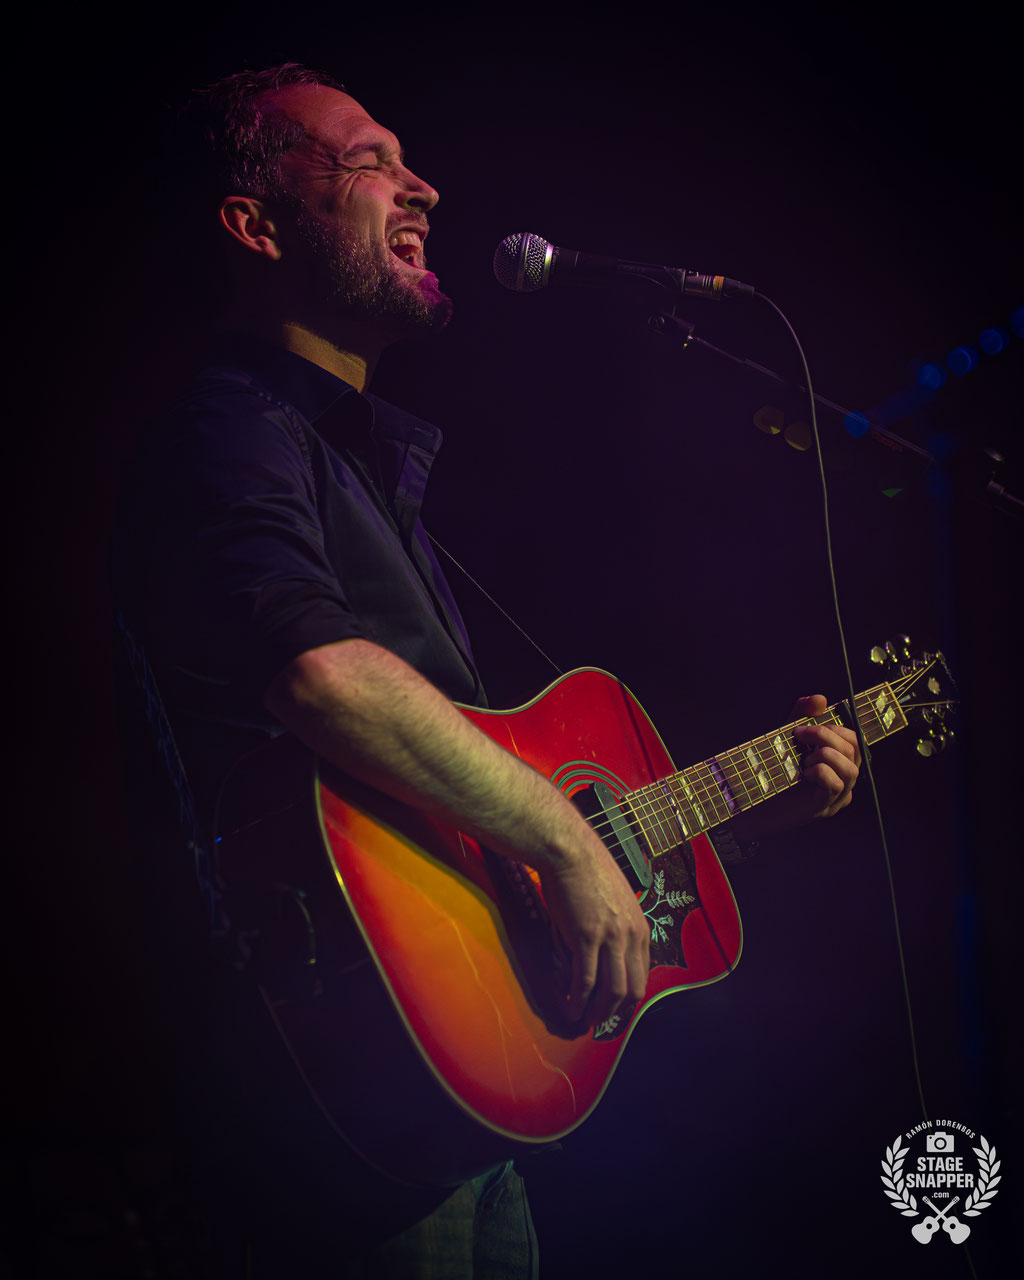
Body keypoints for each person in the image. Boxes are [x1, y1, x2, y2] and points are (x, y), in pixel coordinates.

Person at [113, 63, 860, 1278]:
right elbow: (317, 676)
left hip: (452, 1099)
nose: (422, 186)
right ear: (254, 224)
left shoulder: (357, 466)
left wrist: (747, 807)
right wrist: (562, 840)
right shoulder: (232, 427)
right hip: (330, 1110)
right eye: (368, 161)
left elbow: (473, 808)